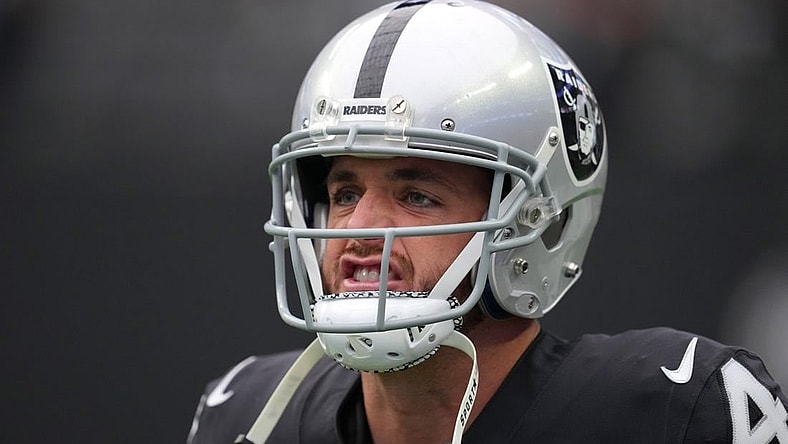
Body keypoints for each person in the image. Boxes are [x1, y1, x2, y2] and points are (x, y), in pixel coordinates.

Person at [187, 1, 788, 443]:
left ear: (536, 220)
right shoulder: (245, 417)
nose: (360, 229)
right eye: (344, 192)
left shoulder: (669, 412)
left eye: (417, 195)